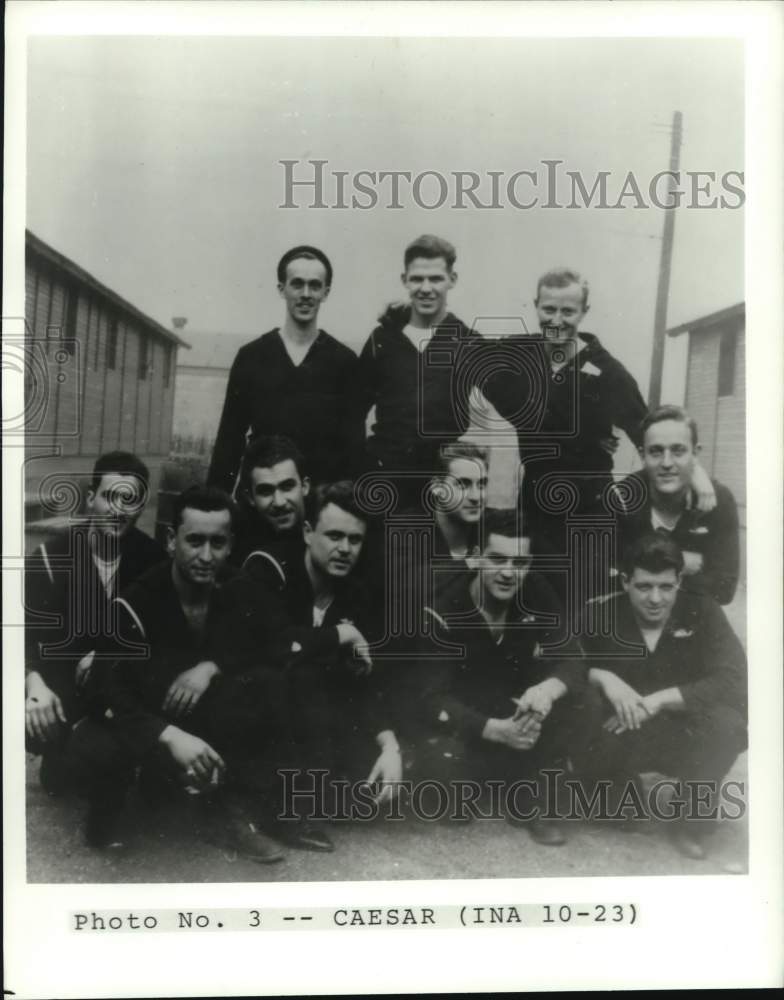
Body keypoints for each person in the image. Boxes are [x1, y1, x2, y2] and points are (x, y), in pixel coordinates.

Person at [75, 486, 330, 859]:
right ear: (171, 539)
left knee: (271, 681)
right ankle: (136, 792)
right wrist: (169, 735)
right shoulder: (137, 600)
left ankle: (229, 810)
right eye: (194, 541)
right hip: (136, 721)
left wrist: (213, 666)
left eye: (217, 542)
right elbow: (106, 690)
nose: (206, 556)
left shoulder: (239, 587)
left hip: (193, 717)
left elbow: (277, 643)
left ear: (231, 545)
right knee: (104, 770)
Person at [483, 268, 716, 553]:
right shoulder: (517, 354)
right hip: (535, 505)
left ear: (584, 312)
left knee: (587, 591)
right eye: (548, 309)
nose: (557, 320)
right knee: (534, 591)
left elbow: (648, 431)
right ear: (535, 306)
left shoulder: (609, 373)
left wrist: (697, 473)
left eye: (568, 311)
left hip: (589, 510)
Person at [406, 508, 600, 845]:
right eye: (498, 559)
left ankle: (532, 797)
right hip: (471, 721)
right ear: (477, 557)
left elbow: (573, 658)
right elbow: (429, 698)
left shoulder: (537, 590)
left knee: (584, 699)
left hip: (521, 713)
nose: (509, 573)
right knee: (445, 787)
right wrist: (495, 731)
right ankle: (508, 777)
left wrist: (546, 690)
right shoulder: (443, 605)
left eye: (520, 563)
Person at [583, 534, 747, 859]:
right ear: (625, 581)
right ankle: (616, 789)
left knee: (729, 724)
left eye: (666, 587)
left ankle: (688, 819)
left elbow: (733, 677)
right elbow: (562, 663)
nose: (655, 598)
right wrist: (602, 676)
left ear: (679, 582)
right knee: (617, 811)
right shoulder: (600, 614)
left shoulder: (703, 611)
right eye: (644, 587)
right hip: (623, 731)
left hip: (680, 730)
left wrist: (659, 700)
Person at [241, 481, 403, 809]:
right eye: (334, 536)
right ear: (307, 532)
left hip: (312, 719)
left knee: (368, 797)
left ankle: (316, 789)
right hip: (253, 712)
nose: (345, 549)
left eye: (354, 539)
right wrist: (342, 635)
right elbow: (273, 647)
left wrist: (390, 746)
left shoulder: (354, 592)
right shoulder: (269, 568)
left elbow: (364, 679)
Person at [24, 451, 166, 792]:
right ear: (91, 498)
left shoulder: (153, 561)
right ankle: (63, 746)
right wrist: (33, 684)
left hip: (121, 692)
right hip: (63, 689)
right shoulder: (49, 558)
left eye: (129, 500)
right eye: (109, 497)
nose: (118, 510)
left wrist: (104, 654)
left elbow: (162, 639)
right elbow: (24, 640)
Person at [208, 245, 362, 494]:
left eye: (314, 285)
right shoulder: (251, 356)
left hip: (320, 505)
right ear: (282, 289)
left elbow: (353, 447)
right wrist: (216, 505)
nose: (306, 293)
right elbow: (229, 440)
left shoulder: (344, 362)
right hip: (262, 500)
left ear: (326, 292)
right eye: (297, 284)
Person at [356, 235, 490, 505]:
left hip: (445, 484)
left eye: (436, 279)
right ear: (404, 279)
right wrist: (364, 465)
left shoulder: (469, 341)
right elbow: (351, 411)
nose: (426, 288)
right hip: (387, 480)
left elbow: (513, 400)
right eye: (417, 279)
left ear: (452, 279)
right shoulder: (382, 339)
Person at [612, 406, 740, 605]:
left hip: (691, 617)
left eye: (678, 451)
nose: (666, 462)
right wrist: (678, 561)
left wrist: (644, 571)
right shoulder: (623, 497)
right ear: (642, 455)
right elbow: (604, 579)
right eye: (655, 452)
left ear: (695, 454)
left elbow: (724, 589)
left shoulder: (719, 499)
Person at [232, 434, 310, 567]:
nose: (279, 502)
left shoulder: (329, 530)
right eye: (266, 491)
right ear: (250, 497)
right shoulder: (237, 547)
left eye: (287, 487)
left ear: (304, 487)